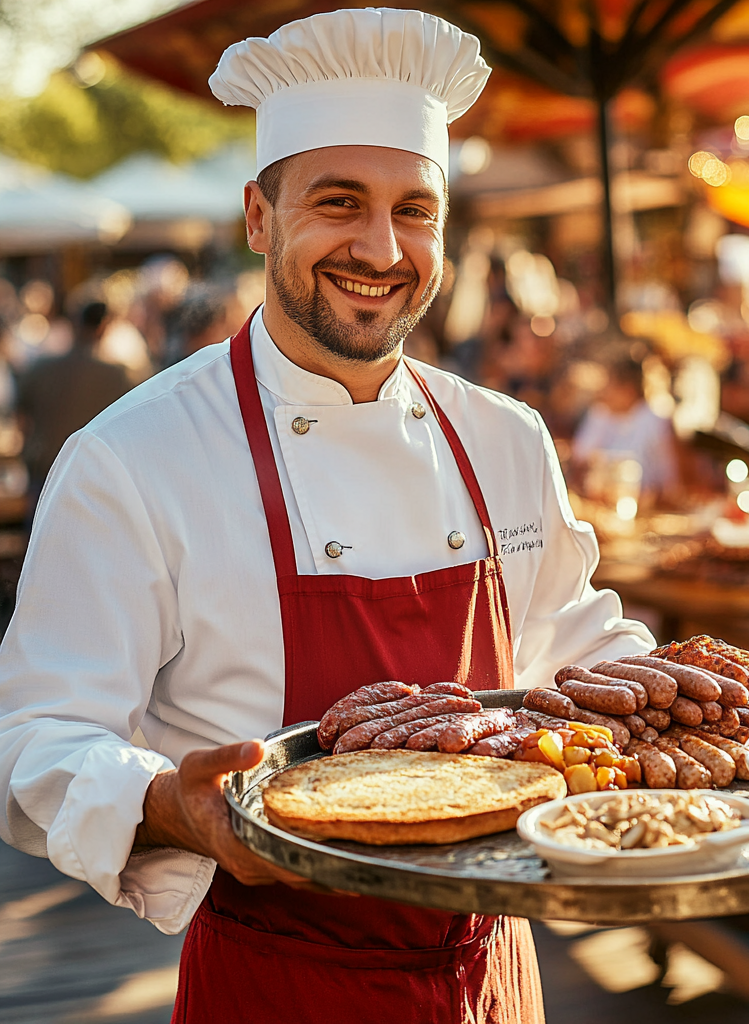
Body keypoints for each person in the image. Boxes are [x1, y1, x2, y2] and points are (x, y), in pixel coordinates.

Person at [0, 10, 653, 1023]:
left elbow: (571, 645)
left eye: (415, 210)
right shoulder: (132, 458)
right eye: (339, 201)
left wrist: (673, 692)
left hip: (495, 973)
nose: (381, 248)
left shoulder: (507, 438)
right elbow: (34, 737)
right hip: (277, 984)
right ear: (259, 217)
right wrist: (169, 805)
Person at [16, 300, 132, 508]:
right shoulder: (117, 377)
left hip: (45, 472)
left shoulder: (41, 368)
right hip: (93, 477)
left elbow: (21, 418)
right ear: (103, 328)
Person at [572, 353, 679, 507]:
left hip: (643, 507)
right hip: (597, 504)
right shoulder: (599, 413)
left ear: (628, 389)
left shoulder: (655, 420)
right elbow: (580, 457)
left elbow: (669, 478)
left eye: (609, 385)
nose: (603, 390)